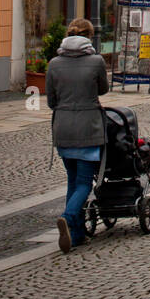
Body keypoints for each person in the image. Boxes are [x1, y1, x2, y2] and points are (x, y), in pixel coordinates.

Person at [46, 17, 108, 253]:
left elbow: (51, 100)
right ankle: (68, 217)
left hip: (62, 129)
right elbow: (103, 89)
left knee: (73, 181)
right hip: (88, 128)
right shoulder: (96, 61)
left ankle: (77, 234)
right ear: (89, 37)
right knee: (83, 183)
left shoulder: (54, 63)